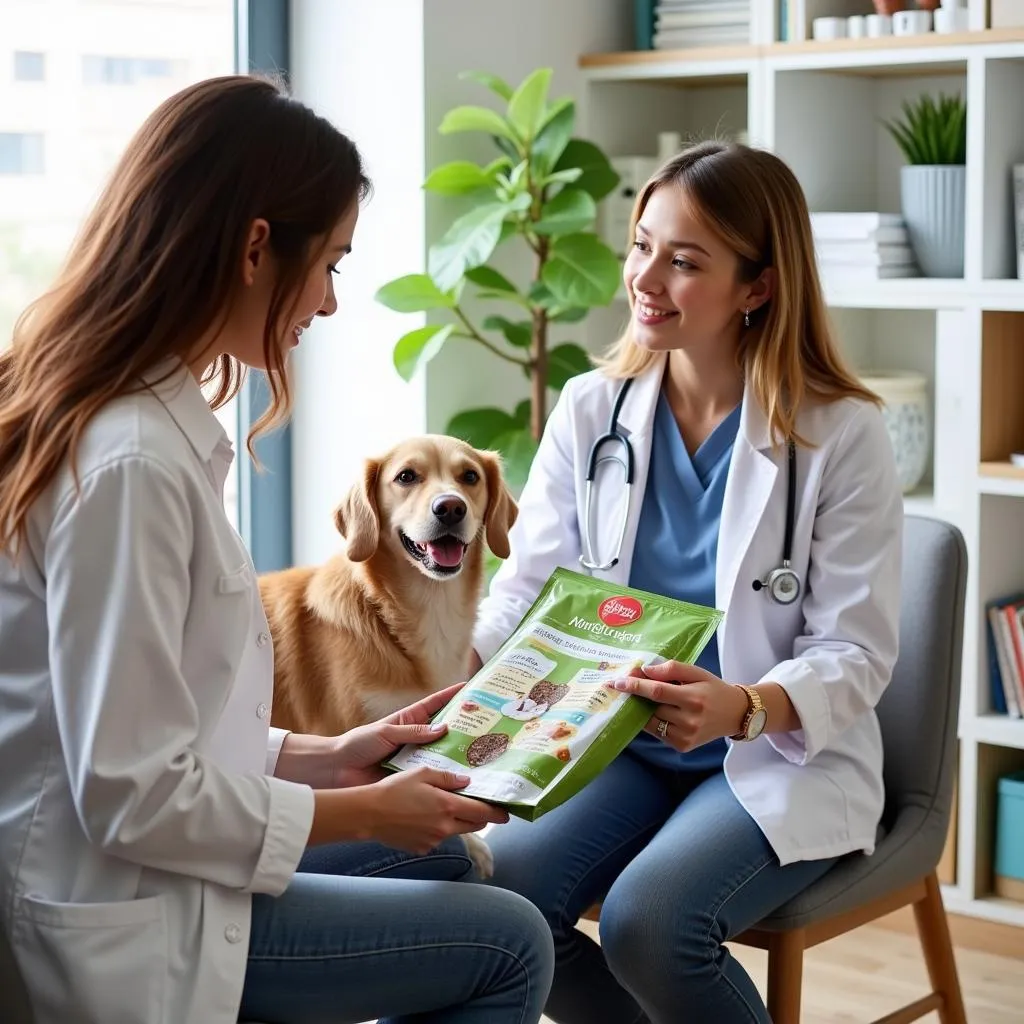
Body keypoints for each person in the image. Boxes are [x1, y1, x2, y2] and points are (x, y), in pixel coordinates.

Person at [0, 75, 554, 1024]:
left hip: (156, 868)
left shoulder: (142, 422)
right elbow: (130, 794)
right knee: (512, 945)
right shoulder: (130, 461)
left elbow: (152, 729)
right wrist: (369, 807)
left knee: (454, 861)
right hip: (132, 915)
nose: (331, 303)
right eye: (332, 263)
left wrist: (326, 755)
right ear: (258, 246)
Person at [470, 140, 904, 1024]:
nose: (645, 278)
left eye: (684, 260)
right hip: (612, 738)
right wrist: (443, 678)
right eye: (641, 246)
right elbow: (526, 593)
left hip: (769, 753)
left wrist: (742, 706)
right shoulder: (593, 411)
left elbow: (856, 651)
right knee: (499, 895)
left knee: (650, 923)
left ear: (759, 287)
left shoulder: (841, 432)